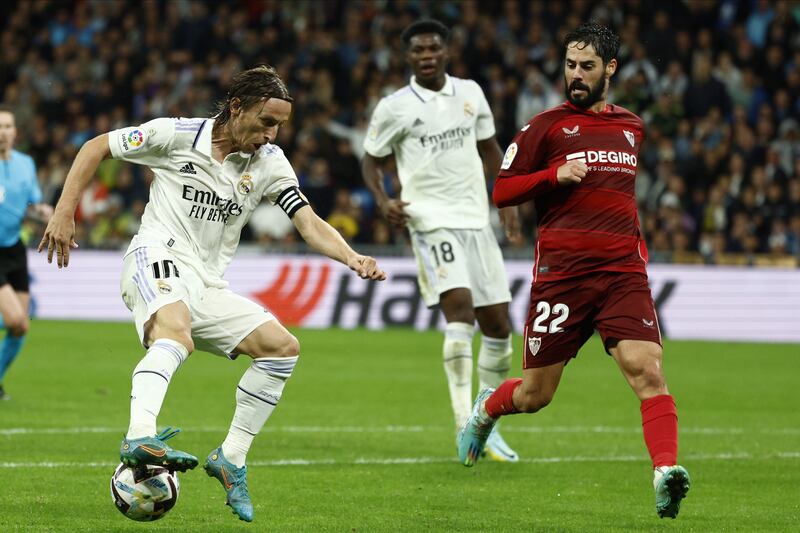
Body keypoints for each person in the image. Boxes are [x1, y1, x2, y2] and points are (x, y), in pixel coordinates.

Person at [39, 66, 386, 522]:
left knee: (282, 349)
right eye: (266, 122)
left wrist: (351, 257)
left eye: (279, 125)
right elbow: (95, 147)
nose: (272, 134)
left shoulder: (269, 163)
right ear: (237, 107)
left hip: (205, 281)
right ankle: (139, 436)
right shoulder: (174, 135)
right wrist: (65, 212)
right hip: (155, 254)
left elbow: (307, 222)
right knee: (175, 336)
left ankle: (232, 457)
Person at [457, 23, 691, 519]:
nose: (576, 76)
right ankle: (487, 410)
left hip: (622, 274)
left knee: (647, 370)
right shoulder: (546, 126)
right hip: (562, 279)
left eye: (587, 67)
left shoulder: (632, 126)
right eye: (569, 66)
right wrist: (553, 176)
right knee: (535, 394)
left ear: (610, 68)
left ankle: (665, 472)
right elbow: (502, 191)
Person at [362, 19, 521, 462]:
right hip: (429, 219)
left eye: (433, 48)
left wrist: (507, 202)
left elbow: (491, 149)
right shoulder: (394, 107)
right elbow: (370, 161)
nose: (426, 56)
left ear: (446, 51)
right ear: (408, 57)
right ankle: (460, 425)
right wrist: (383, 199)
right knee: (461, 313)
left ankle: (486, 424)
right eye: (418, 50)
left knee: (498, 326)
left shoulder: (471, 93)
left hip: (476, 219)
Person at [0, 106, 52, 400]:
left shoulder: (25, 164)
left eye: (7, 126)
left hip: (13, 248)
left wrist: (43, 212)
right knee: (16, 320)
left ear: (15, 132)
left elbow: (33, 204)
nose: (3, 132)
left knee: (21, 327)